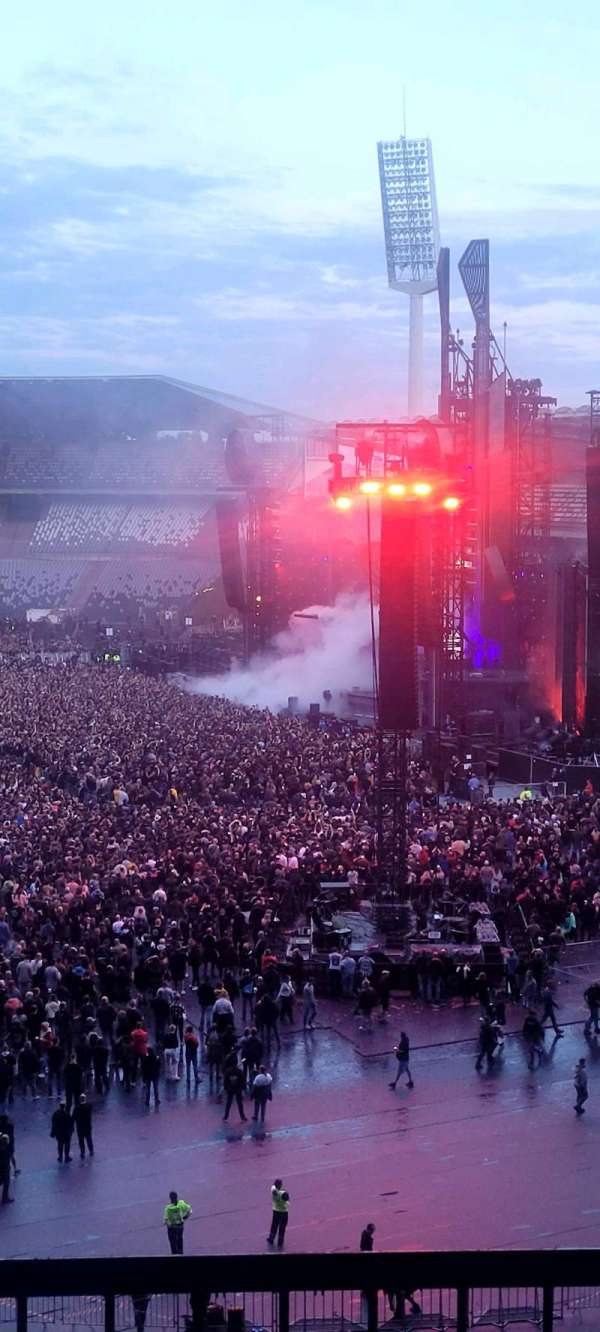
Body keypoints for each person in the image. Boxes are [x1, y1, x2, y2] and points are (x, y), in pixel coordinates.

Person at [267, 1178, 289, 1247]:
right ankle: (280, 1241)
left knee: (274, 1225)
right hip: (283, 1212)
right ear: (279, 1185)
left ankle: (271, 1238)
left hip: (276, 1210)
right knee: (282, 1227)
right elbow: (287, 1198)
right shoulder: (283, 1194)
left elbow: (273, 1186)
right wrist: (284, 1191)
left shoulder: (273, 1190)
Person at [73, 1093, 94, 1159]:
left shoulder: (77, 1108)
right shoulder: (89, 1106)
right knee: (89, 1139)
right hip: (87, 1126)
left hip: (80, 1127)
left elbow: (73, 1117)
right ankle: (91, 1151)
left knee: (81, 1140)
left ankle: (82, 1152)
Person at [0, 1132, 12, 1203]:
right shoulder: (6, 1149)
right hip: (4, 1168)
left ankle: (5, 1198)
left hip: (3, 1168)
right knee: (6, 1182)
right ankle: (5, 1198)